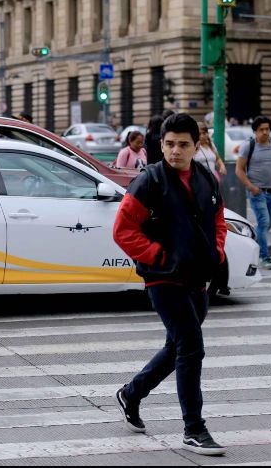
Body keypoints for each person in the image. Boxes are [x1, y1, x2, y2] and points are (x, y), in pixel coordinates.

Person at [113, 113, 227, 456]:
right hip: (163, 278)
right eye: (169, 144)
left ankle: (131, 393)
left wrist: (216, 252)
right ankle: (194, 429)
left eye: (183, 144)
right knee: (191, 347)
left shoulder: (206, 178)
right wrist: (159, 257)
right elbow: (123, 231)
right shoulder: (149, 181)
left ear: (196, 146)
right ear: (161, 145)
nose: (175, 151)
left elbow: (218, 220)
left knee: (177, 347)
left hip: (197, 278)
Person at [236, 116, 271, 271]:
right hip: (257, 192)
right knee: (263, 222)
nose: (265, 132)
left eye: (267, 129)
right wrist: (251, 187)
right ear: (255, 131)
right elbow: (239, 169)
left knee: (267, 224)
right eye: (261, 129)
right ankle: (265, 257)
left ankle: (249, 247)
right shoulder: (248, 146)